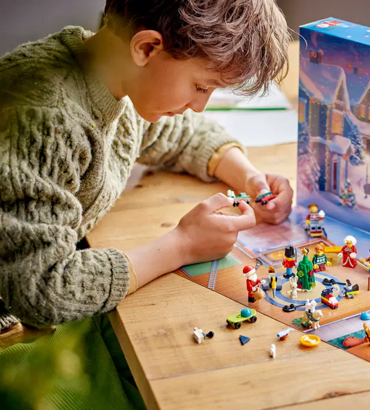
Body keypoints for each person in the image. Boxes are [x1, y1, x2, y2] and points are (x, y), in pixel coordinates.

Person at [0, 1, 292, 408]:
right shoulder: (48, 119)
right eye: (202, 86)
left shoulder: (114, 78)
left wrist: (249, 177)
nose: (201, 104)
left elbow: (179, 131)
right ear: (148, 48)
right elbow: (42, 288)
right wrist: (182, 245)